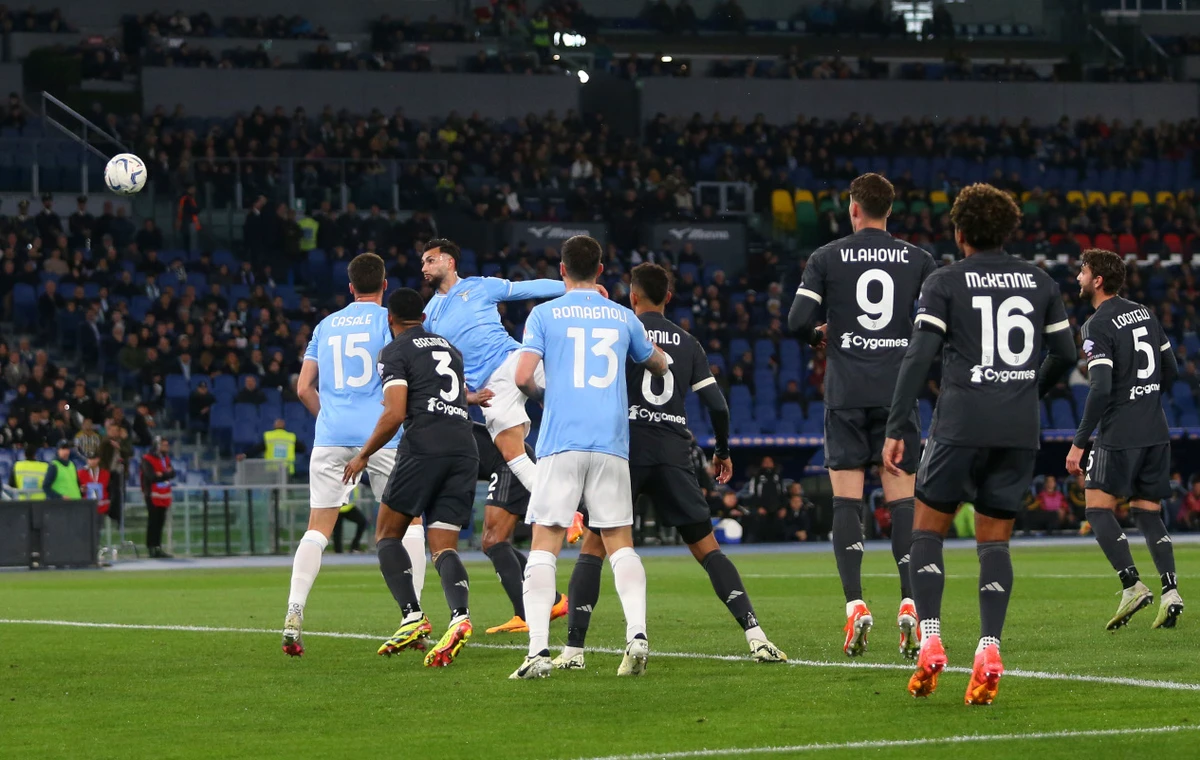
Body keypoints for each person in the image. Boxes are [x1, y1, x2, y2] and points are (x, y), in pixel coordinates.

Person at [882, 182, 1076, 705]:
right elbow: (1065, 350)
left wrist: (899, 423)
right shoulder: (1040, 281)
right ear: (1007, 230)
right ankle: (989, 648)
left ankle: (931, 639)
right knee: (994, 542)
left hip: (961, 424)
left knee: (927, 531)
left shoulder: (945, 281)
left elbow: (918, 355)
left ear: (960, 231)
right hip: (1017, 427)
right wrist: (1029, 385)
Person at [555, 263, 785, 669]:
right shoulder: (688, 342)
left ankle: (574, 651)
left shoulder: (619, 330)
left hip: (624, 449)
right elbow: (717, 405)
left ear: (633, 296)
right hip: (674, 451)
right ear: (669, 297)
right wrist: (723, 450)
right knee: (708, 549)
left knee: (594, 547)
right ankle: (756, 636)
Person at [788, 172, 936, 660]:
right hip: (898, 394)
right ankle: (910, 602)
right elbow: (936, 329)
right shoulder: (918, 260)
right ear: (889, 210)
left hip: (846, 393)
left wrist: (819, 335)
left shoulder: (827, 257)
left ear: (854, 209)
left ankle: (855, 605)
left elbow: (796, 322)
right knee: (902, 502)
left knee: (847, 502)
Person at [508, 235, 669, 680]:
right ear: (601, 271)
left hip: (561, 441)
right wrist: (661, 359)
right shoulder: (622, 316)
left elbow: (523, 377)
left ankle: (538, 651)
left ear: (562, 270)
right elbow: (657, 364)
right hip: (612, 443)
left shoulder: (542, 314)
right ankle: (636, 635)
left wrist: (545, 397)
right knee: (620, 542)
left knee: (546, 544)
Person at [282, 253, 420, 657]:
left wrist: (331, 419)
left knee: (317, 528)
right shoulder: (388, 321)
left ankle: (294, 610)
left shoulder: (325, 326)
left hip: (330, 436)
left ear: (349, 287)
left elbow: (304, 387)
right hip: (381, 434)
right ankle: (412, 618)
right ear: (385, 285)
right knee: (407, 525)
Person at [342, 288, 482, 668]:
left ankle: (412, 616)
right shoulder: (449, 348)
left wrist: (363, 454)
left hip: (425, 446)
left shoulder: (395, 351)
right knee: (443, 545)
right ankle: (459, 617)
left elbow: (394, 412)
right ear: (422, 314)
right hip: (464, 446)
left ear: (391, 319)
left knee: (387, 532)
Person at [1066, 248, 1184, 630]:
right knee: (1148, 513)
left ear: (1098, 279)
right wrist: (1145, 398)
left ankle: (1132, 584)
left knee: (1097, 508)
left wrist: (1080, 442)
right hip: (1155, 428)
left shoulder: (1096, 325)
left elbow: (1099, 390)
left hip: (1119, 433)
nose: (1078, 277)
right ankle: (1170, 591)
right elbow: (1172, 369)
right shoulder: (1146, 313)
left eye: (1082, 271)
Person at [420, 238, 583, 499]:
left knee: (571, 398)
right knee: (511, 453)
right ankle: (565, 505)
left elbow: (528, 288)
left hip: (516, 359)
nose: (423, 268)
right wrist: (466, 395)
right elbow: (439, 367)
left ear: (449, 262)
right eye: (422, 263)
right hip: (490, 388)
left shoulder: (481, 286)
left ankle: (588, 465)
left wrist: (576, 288)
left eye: (430, 260)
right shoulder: (428, 316)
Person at [474, 423, 570, 634]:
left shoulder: (430, 431)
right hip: (507, 461)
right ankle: (553, 599)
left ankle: (525, 615)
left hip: (508, 462)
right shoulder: (438, 424)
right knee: (492, 542)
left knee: (494, 541)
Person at [141, 436, 177, 558]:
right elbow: (151, 476)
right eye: (164, 445)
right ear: (157, 445)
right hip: (151, 494)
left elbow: (173, 473)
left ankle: (158, 547)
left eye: (167, 445)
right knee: (153, 521)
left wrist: (162, 474)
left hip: (164, 494)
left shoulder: (165, 459)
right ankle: (151, 547)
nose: (166, 448)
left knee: (160, 522)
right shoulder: (147, 459)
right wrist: (166, 474)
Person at [78, 450, 111, 516]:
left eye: (94, 458)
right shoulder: (80, 473)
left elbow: (109, 490)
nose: (92, 461)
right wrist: (81, 490)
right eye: (90, 459)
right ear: (87, 460)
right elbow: (76, 490)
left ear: (98, 459)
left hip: (103, 508)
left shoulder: (106, 474)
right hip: (86, 508)